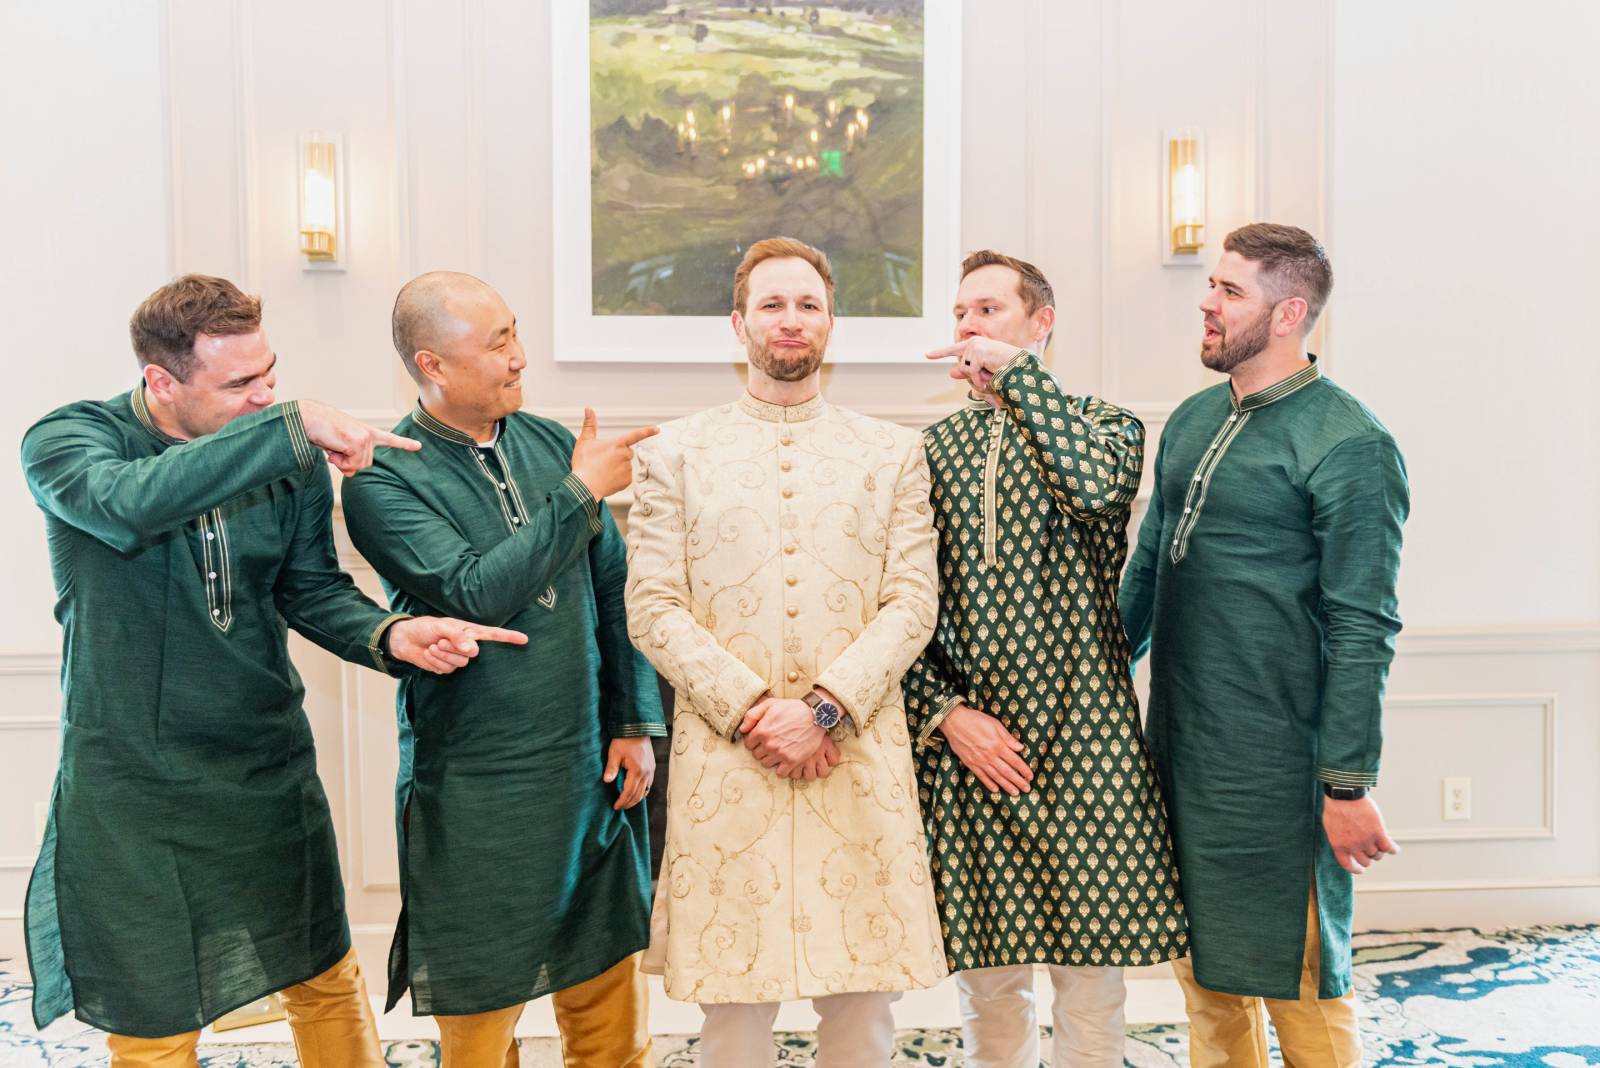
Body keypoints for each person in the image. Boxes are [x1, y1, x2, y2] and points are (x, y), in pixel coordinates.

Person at [20, 273, 526, 1068]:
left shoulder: (284, 457)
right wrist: (293, 424)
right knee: (155, 1012)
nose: (265, 396)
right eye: (239, 384)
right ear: (161, 381)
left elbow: (310, 590)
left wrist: (394, 633)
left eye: (270, 374)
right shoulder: (72, 441)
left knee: (320, 972)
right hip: (135, 782)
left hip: (265, 765)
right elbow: (126, 504)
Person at [624, 236, 947, 1067]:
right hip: (731, 760)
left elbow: (912, 602)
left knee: (864, 1008)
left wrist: (824, 711)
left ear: (832, 323)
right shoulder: (673, 454)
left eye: (809, 304)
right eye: (772, 304)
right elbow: (652, 609)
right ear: (739, 324)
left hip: (856, 754)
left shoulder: (894, 453)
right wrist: (755, 712)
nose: (791, 319)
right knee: (733, 1014)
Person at [341, 271, 665, 1067]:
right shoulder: (383, 480)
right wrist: (582, 493)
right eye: (497, 344)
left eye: (515, 332)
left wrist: (633, 722)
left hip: (588, 769)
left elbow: (615, 589)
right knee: (481, 1007)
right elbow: (475, 591)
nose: (520, 357)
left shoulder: (551, 444)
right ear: (432, 365)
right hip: (477, 789)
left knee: (607, 996)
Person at [1120, 223, 1408, 1067]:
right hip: (1180, 752)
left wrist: (1347, 783)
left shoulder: (1349, 443)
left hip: (1280, 771)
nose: (1206, 304)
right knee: (1206, 985)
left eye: (1229, 290)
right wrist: (1085, 688)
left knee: (1302, 985)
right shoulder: (1192, 419)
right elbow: (1147, 573)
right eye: (1211, 285)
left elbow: (1364, 626)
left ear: (1287, 314)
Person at [905, 249, 1189, 1067]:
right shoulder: (927, 451)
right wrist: (946, 716)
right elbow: (901, 605)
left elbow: (1094, 490)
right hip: (972, 747)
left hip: (1086, 740)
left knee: (1091, 981)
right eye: (962, 313)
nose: (971, 327)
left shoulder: (1106, 427)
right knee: (989, 982)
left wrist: (1019, 379)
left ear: (1041, 324)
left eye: (990, 310)